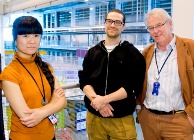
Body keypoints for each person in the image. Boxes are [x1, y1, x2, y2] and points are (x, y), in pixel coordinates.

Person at [78, 9, 146, 140]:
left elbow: (132, 86)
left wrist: (103, 100)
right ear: (104, 23)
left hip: (120, 119)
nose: (113, 25)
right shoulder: (92, 52)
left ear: (123, 26)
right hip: (94, 117)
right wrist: (96, 101)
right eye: (109, 21)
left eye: (117, 22)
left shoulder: (133, 54)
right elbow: (84, 80)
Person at [0, 16, 67, 140]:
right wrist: (53, 103)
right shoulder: (9, 74)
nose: (32, 41)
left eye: (36, 35)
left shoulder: (46, 67)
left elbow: (63, 101)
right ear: (15, 40)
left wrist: (42, 112)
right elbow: (28, 118)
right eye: (25, 36)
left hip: (50, 136)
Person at [136, 8, 194, 140]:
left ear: (170, 24)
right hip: (148, 120)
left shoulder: (190, 47)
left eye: (159, 25)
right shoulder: (147, 52)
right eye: (150, 28)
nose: (155, 31)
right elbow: (138, 82)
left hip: (178, 122)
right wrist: (140, 110)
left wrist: (191, 115)